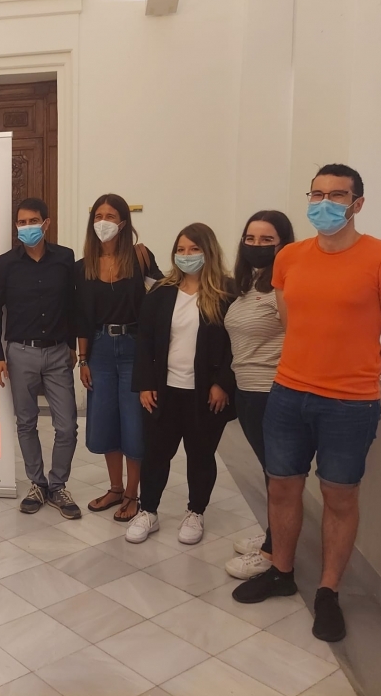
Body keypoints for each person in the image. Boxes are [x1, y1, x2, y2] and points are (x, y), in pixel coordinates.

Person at [233, 164, 381, 642]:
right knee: (281, 488)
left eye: (337, 195)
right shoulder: (290, 258)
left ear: (358, 203)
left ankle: (328, 592)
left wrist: (360, 370)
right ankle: (281, 572)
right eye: (316, 194)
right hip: (288, 394)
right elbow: (291, 323)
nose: (324, 203)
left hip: (350, 405)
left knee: (339, 496)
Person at [126, 223, 236, 546]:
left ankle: (195, 511)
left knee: (201, 456)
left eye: (194, 249)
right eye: (181, 250)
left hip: (206, 394)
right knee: (156, 454)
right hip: (164, 391)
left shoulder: (226, 294)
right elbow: (145, 341)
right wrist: (145, 384)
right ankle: (148, 511)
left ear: (208, 251)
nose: (186, 255)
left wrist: (223, 383)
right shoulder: (161, 292)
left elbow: (236, 345)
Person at [0, 197, 81, 520]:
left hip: (57, 353)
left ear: (46, 223)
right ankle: (37, 483)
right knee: (26, 422)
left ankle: (58, 485)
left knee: (67, 426)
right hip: (20, 353)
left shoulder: (65, 258)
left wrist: (72, 345)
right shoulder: (5, 263)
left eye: (33, 221)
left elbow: (73, 305)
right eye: (21, 222)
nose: (27, 227)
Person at [75, 194, 163, 522]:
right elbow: (81, 318)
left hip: (133, 349)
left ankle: (132, 494)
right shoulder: (83, 266)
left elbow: (160, 300)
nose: (104, 222)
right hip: (99, 349)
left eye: (111, 216)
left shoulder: (140, 257)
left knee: (134, 424)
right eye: (98, 215)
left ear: (123, 222)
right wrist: (83, 360)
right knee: (104, 421)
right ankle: (115, 488)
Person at [223, 211, 295, 579]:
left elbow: (298, 336)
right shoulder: (249, 284)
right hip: (248, 391)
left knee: (278, 476)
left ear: (284, 244)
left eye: (267, 240)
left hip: (273, 392)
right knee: (270, 472)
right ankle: (273, 534)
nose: (257, 246)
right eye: (250, 239)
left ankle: (273, 551)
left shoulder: (287, 285)